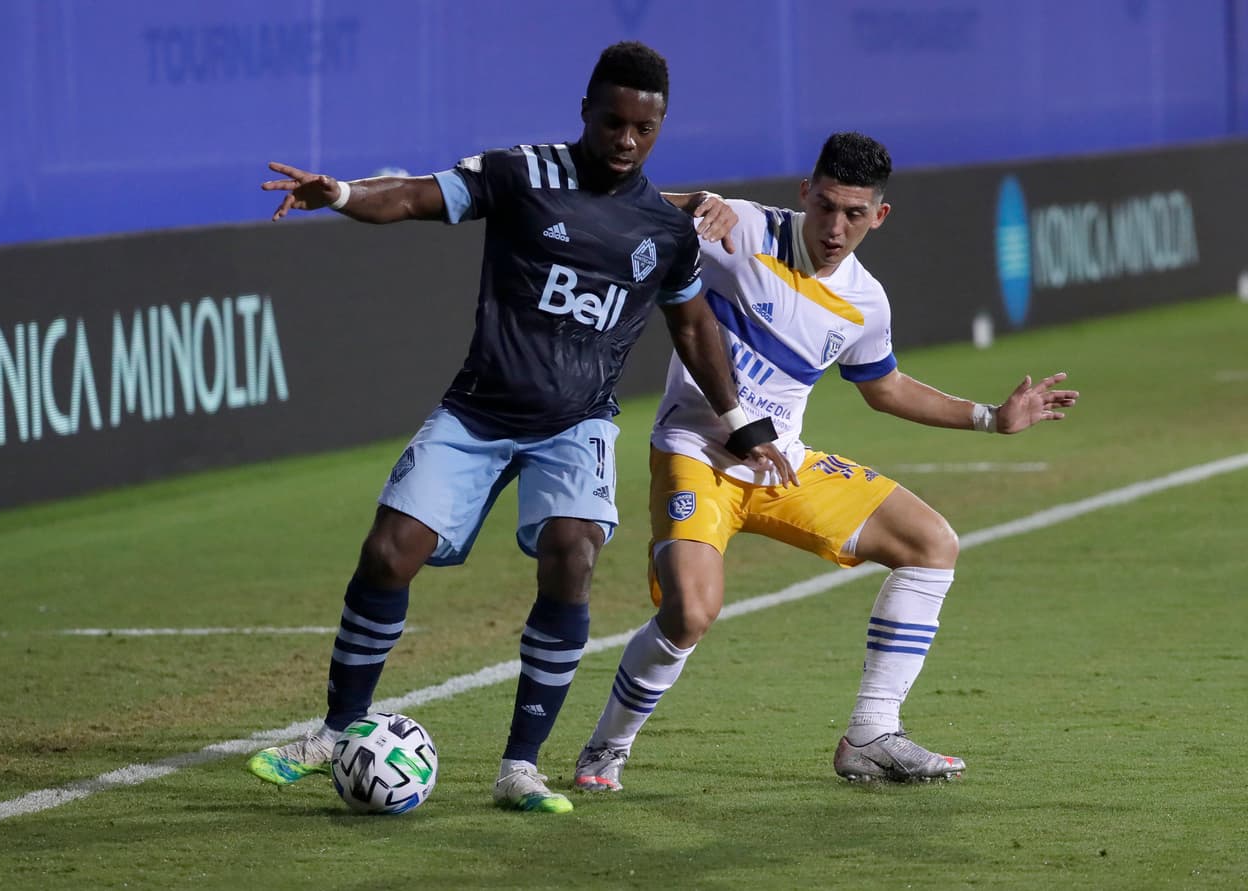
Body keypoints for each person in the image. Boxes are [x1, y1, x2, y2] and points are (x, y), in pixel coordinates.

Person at [244, 41, 791, 814]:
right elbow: (411, 196)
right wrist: (337, 192)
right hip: (479, 409)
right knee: (388, 552)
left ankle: (520, 767)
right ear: (586, 111)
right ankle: (335, 731)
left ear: (660, 127)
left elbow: (694, 323)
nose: (626, 139)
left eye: (643, 128)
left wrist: (740, 419)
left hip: (576, 423)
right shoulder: (520, 174)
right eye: (613, 121)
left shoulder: (666, 229)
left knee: (574, 555)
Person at [572, 131, 1079, 791]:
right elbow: (629, 203)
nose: (836, 228)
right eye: (826, 206)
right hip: (697, 454)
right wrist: (692, 201)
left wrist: (990, 417)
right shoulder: (743, 228)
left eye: (854, 214)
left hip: (782, 468)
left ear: (880, 216)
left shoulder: (866, 302)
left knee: (931, 543)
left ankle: (871, 733)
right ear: (805, 192)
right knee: (690, 611)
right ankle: (605, 750)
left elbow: (884, 387)